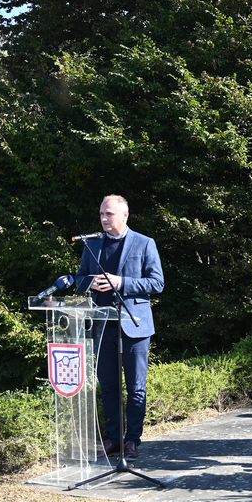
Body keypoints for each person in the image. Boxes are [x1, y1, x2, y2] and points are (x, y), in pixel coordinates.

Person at [76, 195, 164, 461]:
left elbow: (157, 283)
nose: (104, 219)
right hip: (103, 326)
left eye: (109, 214)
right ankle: (114, 438)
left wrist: (121, 282)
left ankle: (132, 440)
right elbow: (79, 278)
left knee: (136, 387)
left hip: (134, 327)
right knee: (109, 386)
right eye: (102, 214)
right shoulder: (92, 245)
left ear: (124, 215)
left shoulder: (144, 243)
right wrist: (90, 283)